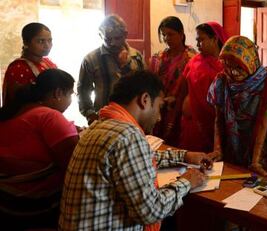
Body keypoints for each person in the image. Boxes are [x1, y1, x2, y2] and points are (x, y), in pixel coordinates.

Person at [59, 71, 210, 231]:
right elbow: (151, 211)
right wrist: (187, 182)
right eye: (159, 107)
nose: (159, 117)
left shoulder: (100, 126)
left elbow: (139, 159)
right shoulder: (128, 135)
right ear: (145, 100)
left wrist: (185, 155)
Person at [0, 69, 78, 230]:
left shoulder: (17, 111)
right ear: (58, 93)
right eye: (71, 94)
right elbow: (74, 165)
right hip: (34, 207)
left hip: (6, 204)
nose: (71, 99)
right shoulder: (49, 117)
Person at [207, 36, 267, 177]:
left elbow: (264, 123)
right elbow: (218, 119)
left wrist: (256, 161)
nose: (233, 73)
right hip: (232, 145)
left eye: (238, 67)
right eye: (227, 66)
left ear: (251, 62)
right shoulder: (222, 82)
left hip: (260, 146)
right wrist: (218, 149)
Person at [78, 14, 145, 125]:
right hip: (105, 118)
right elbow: (83, 90)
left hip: (134, 117)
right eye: (108, 39)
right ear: (100, 35)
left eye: (117, 38)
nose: (113, 43)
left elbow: (144, 85)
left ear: (125, 35)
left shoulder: (136, 56)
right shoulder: (91, 59)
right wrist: (90, 114)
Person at [173, 22, 228, 152]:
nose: (197, 45)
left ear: (214, 39)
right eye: (197, 40)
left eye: (201, 40)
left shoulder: (227, 65)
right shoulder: (194, 62)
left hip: (213, 123)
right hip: (192, 124)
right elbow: (184, 90)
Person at [149, 16, 198, 146]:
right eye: (164, 35)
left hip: (180, 110)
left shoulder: (192, 58)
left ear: (181, 34)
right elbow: (151, 83)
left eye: (171, 34)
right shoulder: (158, 58)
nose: (166, 38)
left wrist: (177, 98)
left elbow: (195, 87)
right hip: (160, 109)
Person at [2, 22, 56, 106]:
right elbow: (17, 102)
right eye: (41, 41)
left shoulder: (49, 63)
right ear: (26, 43)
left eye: (50, 40)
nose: (47, 45)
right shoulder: (18, 68)